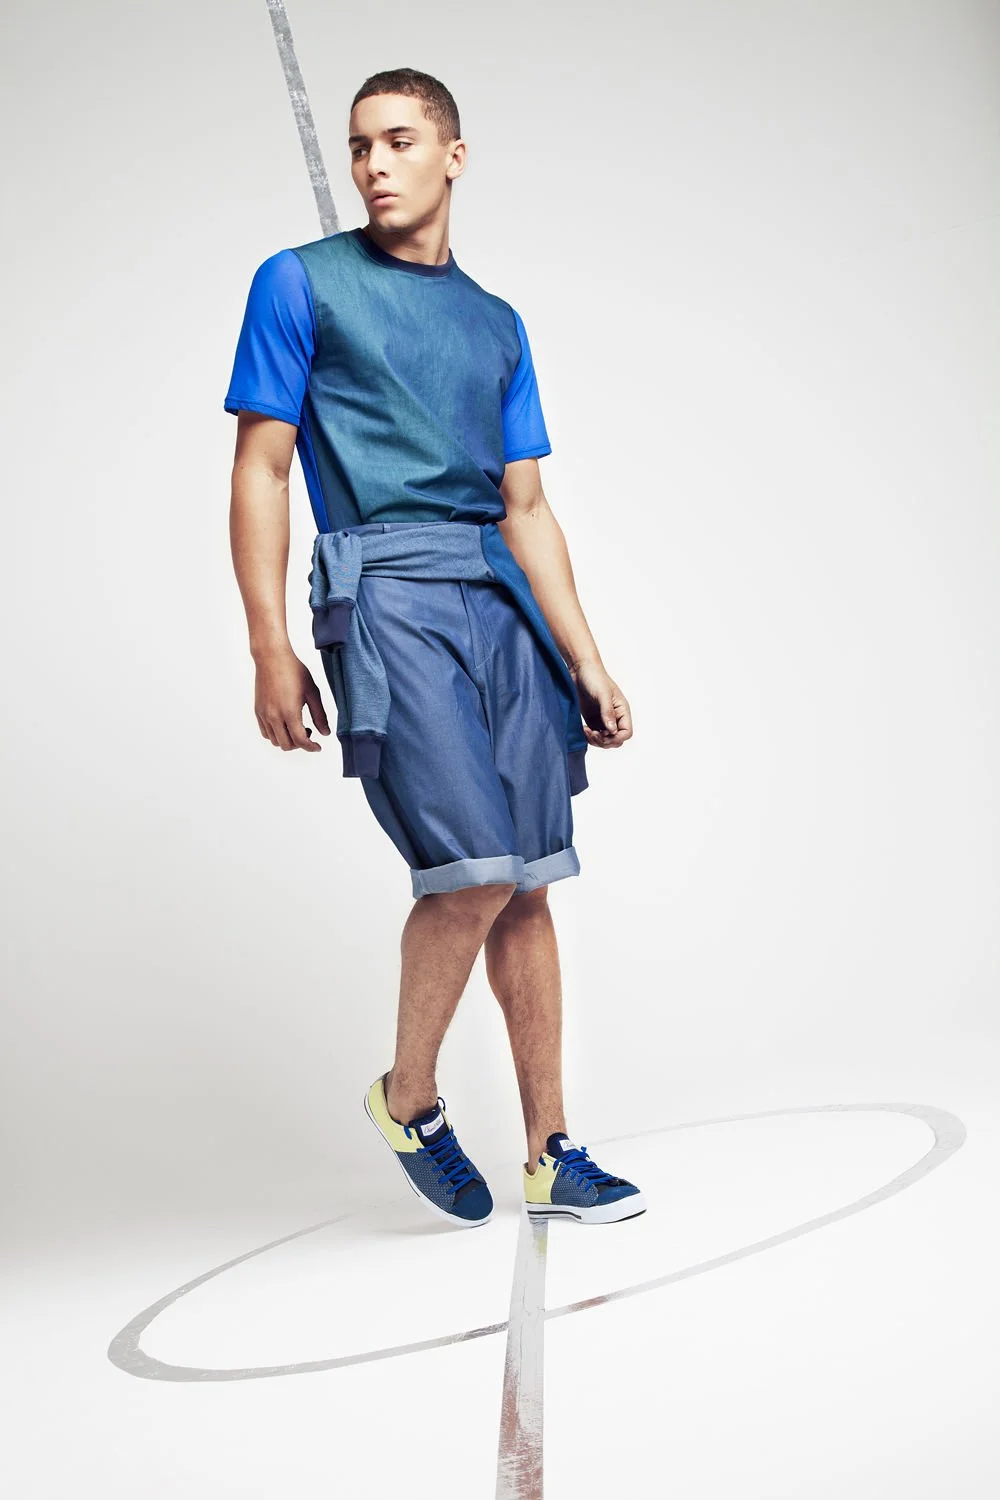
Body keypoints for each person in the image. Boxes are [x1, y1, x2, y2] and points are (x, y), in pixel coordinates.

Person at [224, 67, 644, 1228]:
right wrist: (268, 644)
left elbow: (527, 506)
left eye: (400, 141)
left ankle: (553, 1152)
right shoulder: (300, 282)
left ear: (453, 155)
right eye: (360, 145)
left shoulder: (496, 323)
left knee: (529, 878)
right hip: (386, 589)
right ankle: (408, 1099)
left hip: (498, 597)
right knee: (474, 867)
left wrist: (586, 657)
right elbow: (261, 468)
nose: (374, 164)